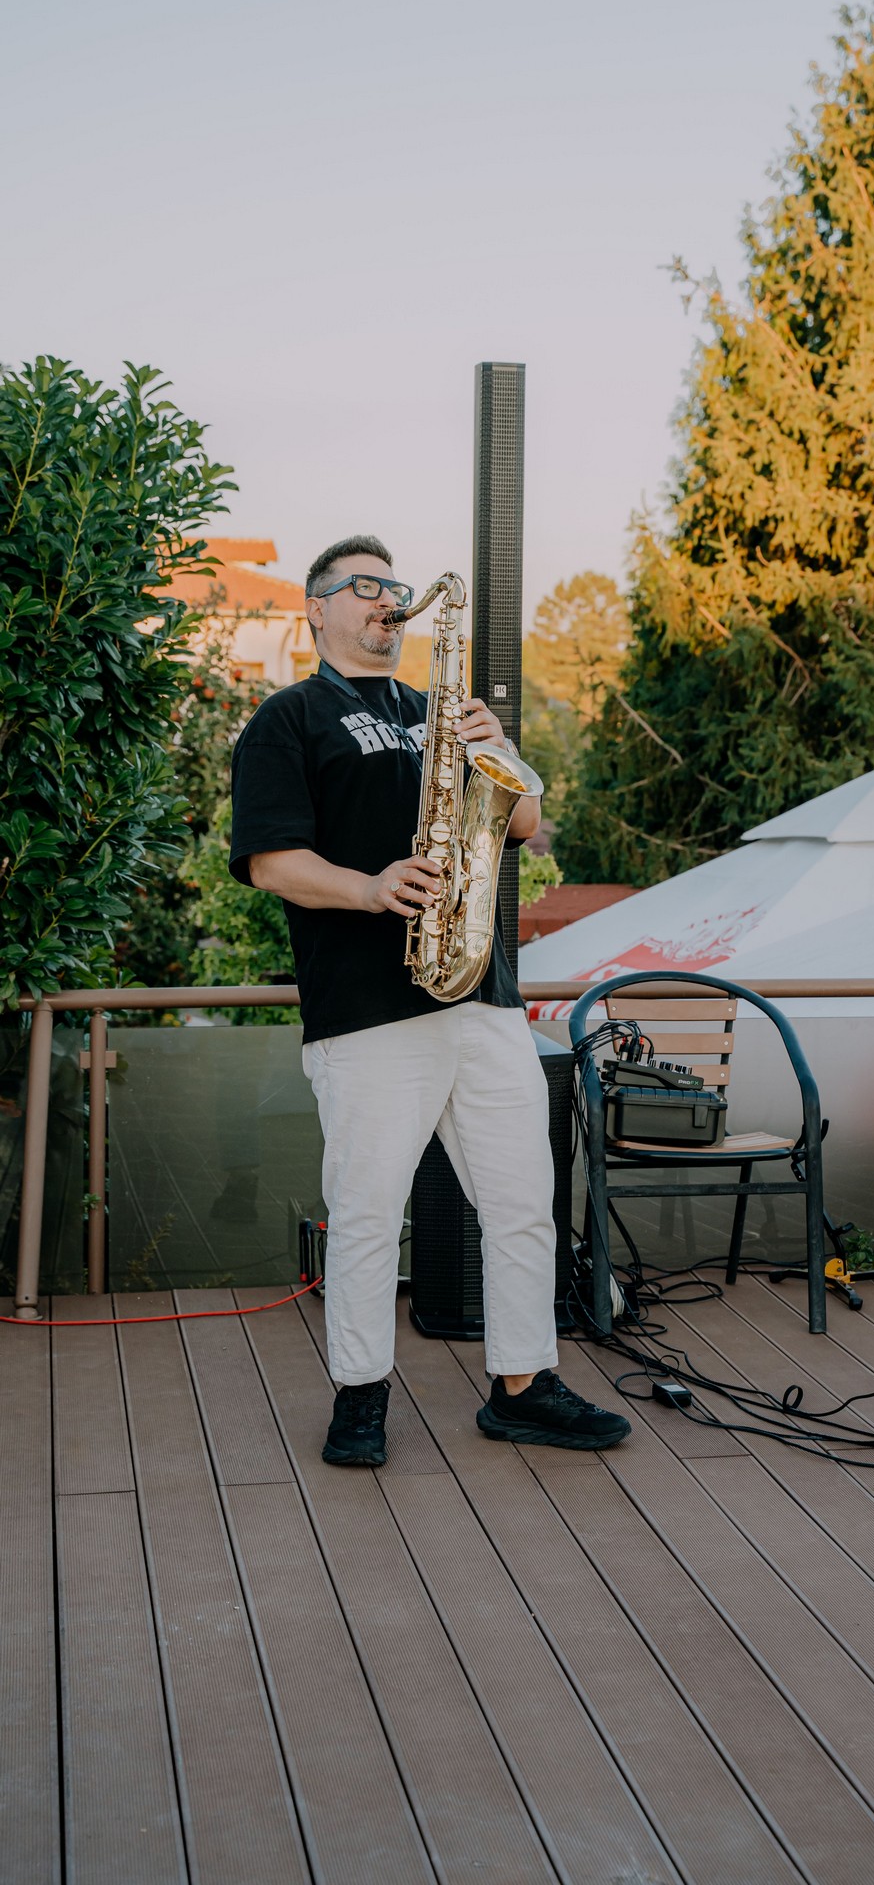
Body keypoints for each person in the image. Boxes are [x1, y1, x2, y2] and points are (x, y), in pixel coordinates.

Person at [228, 534, 631, 1465]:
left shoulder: (438, 710)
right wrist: (370, 888)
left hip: (480, 995)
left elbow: (523, 821)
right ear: (316, 608)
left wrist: (501, 748)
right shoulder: (288, 718)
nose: (385, 599)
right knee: (369, 1212)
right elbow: (271, 862)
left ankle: (524, 1385)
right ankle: (360, 1394)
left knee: (523, 1202)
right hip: (369, 1008)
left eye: (393, 585)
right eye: (362, 586)